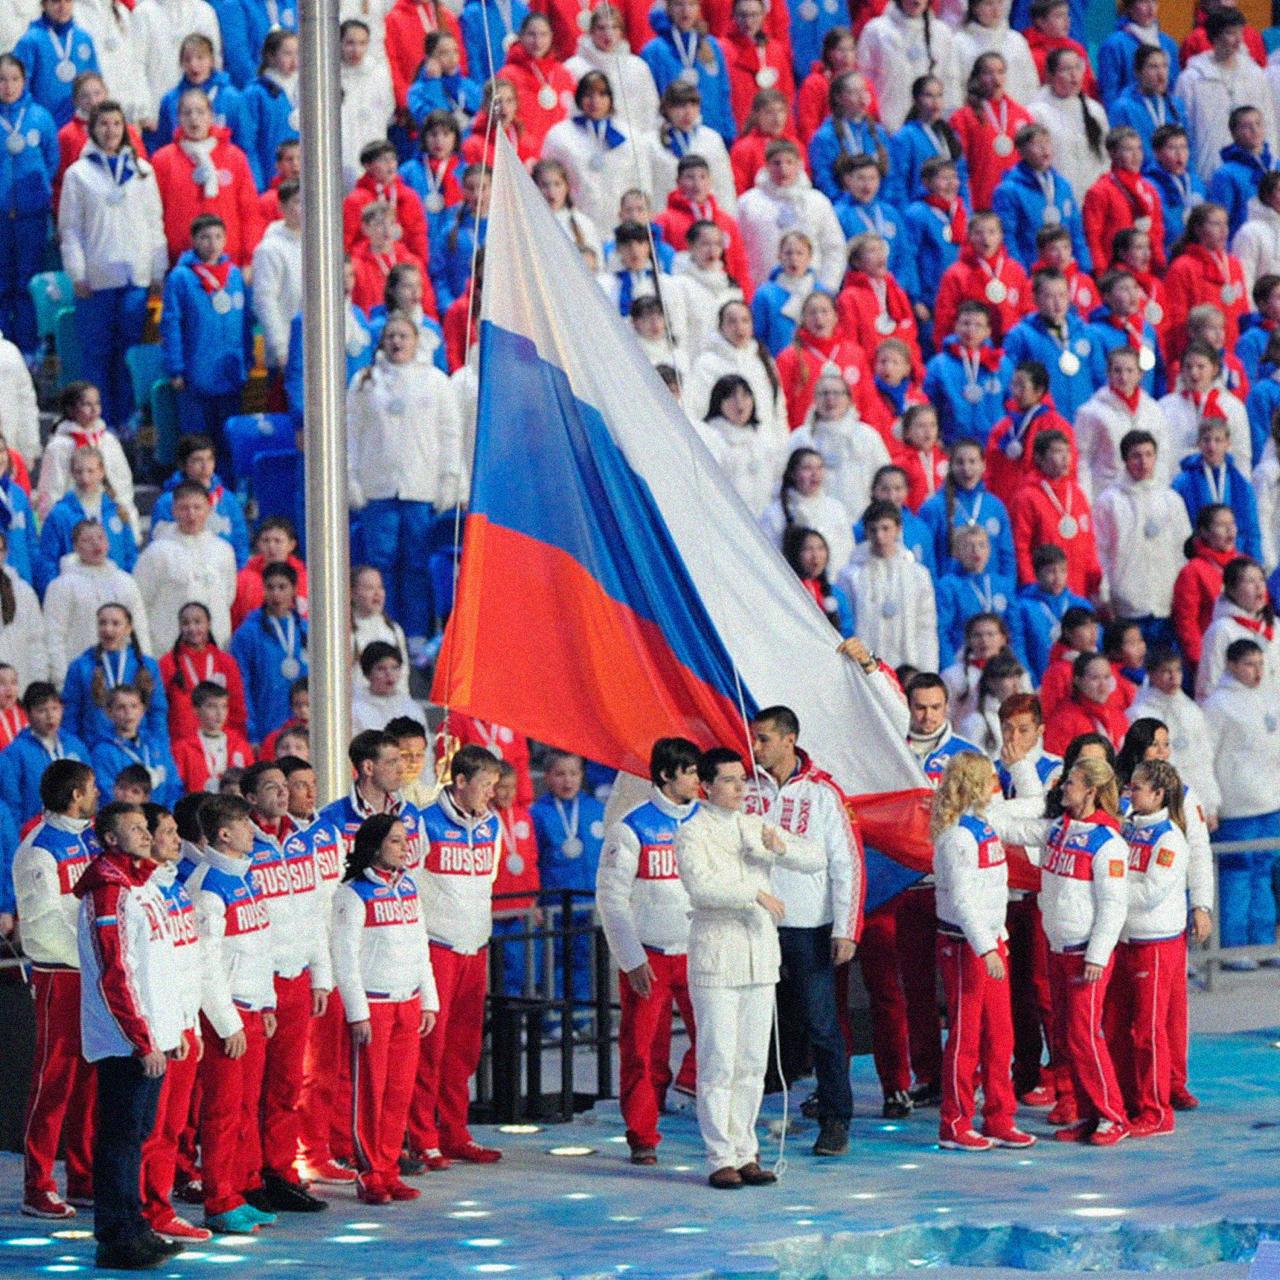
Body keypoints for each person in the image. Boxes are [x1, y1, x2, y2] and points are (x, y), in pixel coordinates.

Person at [676, 745, 824, 1186]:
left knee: (752, 1063)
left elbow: (815, 858)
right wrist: (753, 893)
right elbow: (701, 887)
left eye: (744, 779)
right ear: (706, 786)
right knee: (719, 1059)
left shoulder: (753, 825)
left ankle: (746, 1150)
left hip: (759, 959)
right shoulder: (692, 831)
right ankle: (719, 1154)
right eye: (730, 780)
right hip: (717, 958)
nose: (741, 787)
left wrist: (780, 850)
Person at [988, 753, 1132, 1146]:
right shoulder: (1058, 829)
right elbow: (1010, 829)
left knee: (1086, 1036)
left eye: (1070, 782)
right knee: (1068, 1038)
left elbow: (1114, 906)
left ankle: (1112, 1116)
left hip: (1085, 954)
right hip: (1058, 947)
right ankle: (1088, 1115)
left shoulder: (1109, 844)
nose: (1061, 787)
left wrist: (1097, 956)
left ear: (1091, 790)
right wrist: (981, 807)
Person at [74, 800, 186, 1271]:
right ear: (110, 839)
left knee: (135, 1135)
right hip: (125, 1040)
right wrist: (142, 1039)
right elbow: (116, 974)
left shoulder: (141, 886)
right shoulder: (109, 892)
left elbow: (159, 965)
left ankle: (135, 1224)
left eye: (146, 827)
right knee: (120, 1138)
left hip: (150, 1033)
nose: (146, 834)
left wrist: (171, 1025)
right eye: (135, 829)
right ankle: (117, 1236)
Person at [745, 705, 860, 1157]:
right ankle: (741, 1128)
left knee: (821, 1025)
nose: (756, 747)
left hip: (808, 926)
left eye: (764, 739)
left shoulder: (822, 793)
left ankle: (835, 1119)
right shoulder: (744, 787)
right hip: (754, 922)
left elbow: (847, 862)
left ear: (789, 739)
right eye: (754, 739)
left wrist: (847, 927)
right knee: (753, 1027)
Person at [596, 737, 701, 1164]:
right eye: (690, 771)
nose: (698, 779)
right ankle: (642, 1134)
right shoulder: (631, 826)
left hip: (699, 951)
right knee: (639, 1049)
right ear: (665, 775)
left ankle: (722, 1128)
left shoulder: (709, 822)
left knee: (716, 1040)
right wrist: (632, 957)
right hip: (651, 957)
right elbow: (610, 897)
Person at [330, 813, 438, 1204]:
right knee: (371, 1094)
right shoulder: (352, 894)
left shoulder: (408, 886)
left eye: (405, 839)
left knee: (398, 1094)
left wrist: (428, 999)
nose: (404, 846)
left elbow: (420, 945)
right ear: (375, 846)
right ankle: (369, 1171)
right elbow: (344, 956)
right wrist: (357, 1011)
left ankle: (389, 1168)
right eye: (395, 841)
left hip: (407, 1002)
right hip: (374, 1006)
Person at [183, 792, 277, 1235]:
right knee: (221, 1112)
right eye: (246, 825)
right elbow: (204, 965)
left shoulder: (246, 877)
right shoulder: (207, 888)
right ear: (224, 834)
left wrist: (268, 1000)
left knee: (244, 1107)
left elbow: (259, 946)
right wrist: (227, 1022)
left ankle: (239, 1190)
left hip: (254, 1010)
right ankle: (218, 1199)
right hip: (230, 1018)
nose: (253, 832)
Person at [930, 752, 1034, 1150]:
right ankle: (954, 1121)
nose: (996, 783)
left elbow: (1029, 808)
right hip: (965, 945)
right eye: (990, 778)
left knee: (1000, 1034)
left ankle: (999, 1115)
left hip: (991, 942)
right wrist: (985, 947)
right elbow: (963, 900)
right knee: (966, 1035)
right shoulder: (957, 837)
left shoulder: (985, 826)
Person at [408, 745, 503, 1166]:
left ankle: (455, 1130)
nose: (491, 794)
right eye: (485, 786)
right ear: (460, 782)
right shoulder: (423, 823)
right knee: (430, 1047)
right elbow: (408, 884)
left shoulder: (493, 825)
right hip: (436, 948)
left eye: (495, 786)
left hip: (475, 948)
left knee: (463, 1048)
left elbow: (490, 881)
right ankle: (421, 1137)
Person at [13, 759, 99, 1220]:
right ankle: (37, 1184)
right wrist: (91, 954)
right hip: (59, 976)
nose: (98, 795)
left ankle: (83, 1177)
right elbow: (42, 925)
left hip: (94, 975)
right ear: (74, 795)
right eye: (91, 789)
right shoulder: (37, 850)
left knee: (90, 1082)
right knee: (53, 1082)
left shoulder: (92, 838)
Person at [57, 98, 167, 428]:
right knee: (97, 354)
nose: (110, 130)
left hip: (135, 275)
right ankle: (94, 422)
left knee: (128, 353)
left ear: (126, 129)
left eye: (116, 124)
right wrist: (76, 271)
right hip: (96, 278)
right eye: (103, 124)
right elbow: (71, 228)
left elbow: (154, 222)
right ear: (92, 129)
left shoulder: (142, 171)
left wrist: (158, 268)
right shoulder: (78, 173)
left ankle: (127, 421)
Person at [137, 802, 208, 1245]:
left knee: (173, 1126)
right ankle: (148, 1209)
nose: (177, 839)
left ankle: (158, 1206)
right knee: (153, 1128)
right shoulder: (143, 893)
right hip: (160, 1028)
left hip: (183, 1024)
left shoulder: (176, 888)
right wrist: (162, 1030)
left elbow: (189, 961)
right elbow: (147, 969)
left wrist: (192, 1024)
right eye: (166, 832)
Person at [1106, 759, 1189, 1137]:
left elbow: (1150, 893)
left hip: (1154, 944)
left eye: (1136, 787)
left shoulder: (1169, 838)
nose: (1128, 792)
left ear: (1158, 794)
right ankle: (1129, 1101)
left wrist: (1107, 889)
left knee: (1147, 1031)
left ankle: (1157, 1111)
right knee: (1120, 1027)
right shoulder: (1129, 828)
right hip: (1127, 940)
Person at [1202, 639, 1280, 962]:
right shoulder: (1217, 706)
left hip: (1271, 801)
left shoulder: (1269, 696)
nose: (1256, 671)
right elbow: (1206, 757)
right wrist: (1212, 802)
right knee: (1237, 873)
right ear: (1232, 665)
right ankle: (1233, 947)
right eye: (1249, 664)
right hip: (1237, 805)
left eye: (1260, 664)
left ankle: (1262, 940)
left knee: (1265, 870)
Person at [159, 213, 253, 444]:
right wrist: (176, 368)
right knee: (198, 439)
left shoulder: (234, 275)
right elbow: (171, 324)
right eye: (205, 237)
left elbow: (246, 323)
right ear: (193, 240)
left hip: (230, 372)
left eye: (218, 237)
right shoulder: (181, 277)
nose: (212, 244)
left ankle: (226, 480)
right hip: (196, 371)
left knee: (229, 437)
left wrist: (247, 360)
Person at [1093, 429, 1191, 648]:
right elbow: (1101, 552)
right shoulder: (1109, 501)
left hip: (1166, 601)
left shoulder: (1172, 500)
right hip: (1127, 602)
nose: (1143, 461)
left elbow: (1182, 551)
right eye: (1136, 455)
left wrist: (1183, 595)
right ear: (1125, 459)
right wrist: (1104, 595)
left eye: (1148, 454)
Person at [532, 750, 605, 1030]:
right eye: (560, 774)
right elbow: (533, 859)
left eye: (574, 773)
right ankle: (553, 1021)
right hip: (555, 903)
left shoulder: (595, 808)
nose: (568, 780)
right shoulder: (539, 813)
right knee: (553, 962)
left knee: (585, 961)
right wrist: (536, 899)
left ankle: (583, 1017)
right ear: (548, 777)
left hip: (589, 902)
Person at [151, 88, 263, 267]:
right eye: (187, 113)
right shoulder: (163, 160)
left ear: (211, 116)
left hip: (229, 261)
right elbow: (154, 216)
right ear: (178, 118)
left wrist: (249, 260)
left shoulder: (234, 157)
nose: (194, 118)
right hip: (181, 263)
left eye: (200, 112)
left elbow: (249, 212)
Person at [1175, 7, 1277, 187]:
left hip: (1254, 176)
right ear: (1214, 37)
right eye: (1231, 33)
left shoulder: (1255, 75)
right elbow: (1183, 129)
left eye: (1240, 33)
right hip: (1208, 172)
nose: (1238, 40)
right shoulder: (1192, 79)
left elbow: (1268, 121)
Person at [133, 481, 238, 653]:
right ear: (174, 511)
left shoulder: (223, 550)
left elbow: (228, 596)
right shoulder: (157, 552)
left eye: (197, 508)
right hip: (168, 651)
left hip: (213, 649)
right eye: (184, 508)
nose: (191, 514)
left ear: (209, 510)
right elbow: (140, 603)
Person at [0, 54, 58, 358]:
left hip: (31, 217)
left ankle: (28, 349)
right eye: (1, 79)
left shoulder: (40, 117)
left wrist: (37, 196)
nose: (7, 86)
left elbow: (51, 161)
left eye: (14, 79)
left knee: (27, 283)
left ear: (24, 81)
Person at [838, 499, 938, 670]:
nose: (879, 536)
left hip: (909, 664)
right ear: (866, 532)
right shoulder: (851, 575)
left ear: (898, 529)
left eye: (885, 528)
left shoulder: (918, 575)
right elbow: (847, 624)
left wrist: (927, 670)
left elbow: (926, 627)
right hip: (867, 666)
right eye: (873, 530)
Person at [737, 139, 846, 292]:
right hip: (764, 293)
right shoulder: (748, 203)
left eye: (789, 162)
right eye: (776, 163)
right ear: (766, 166)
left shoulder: (817, 201)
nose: (783, 169)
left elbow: (834, 247)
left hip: (810, 294)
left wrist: (826, 287)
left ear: (799, 165)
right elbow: (739, 251)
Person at [1008, 428, 1102, 598]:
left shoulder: (1077, 493)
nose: (1066, 457)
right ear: (1039, 457)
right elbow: (1020, 548)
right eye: (1058, 451)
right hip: (1044, 592)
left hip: (1078, 592)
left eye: (1068, 451)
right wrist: (1031, 586)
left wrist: (1094, 584)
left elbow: (1089, 543)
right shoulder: (1026, 497)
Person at [60, 600, 164, 748]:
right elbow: (71, 716)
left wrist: (158, 750)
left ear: (128, 628)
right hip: (95, 751)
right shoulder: (80, 667)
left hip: (140, 751)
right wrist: (75, 753)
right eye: (102, 623)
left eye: (115, 623)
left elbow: (157, 712)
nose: (108, 629)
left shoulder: (147, 665)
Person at [36, 445, 137, 594]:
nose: (85, 478)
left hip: (114, 591)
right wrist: (54, 594)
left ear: (101, 471)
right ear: (72, 474)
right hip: (75, 593)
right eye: (79, 471)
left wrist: (128, 588)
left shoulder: (116, 510)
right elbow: (48, 560)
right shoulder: (60, 514)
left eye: (91, 471)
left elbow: (130, 554)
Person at [36, 380, 138, 528]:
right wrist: (54, 525)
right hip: (73, 521)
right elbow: (51, 490)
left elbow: (122, 482)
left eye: (97, 404)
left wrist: (128, 518)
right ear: (70, 409)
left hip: (108, 518)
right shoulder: (59, 446)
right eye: (86, 405)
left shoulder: (108, 440)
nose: (94, 410)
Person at [231, 561, 309, 747]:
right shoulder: (248, 633)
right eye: (270, 587)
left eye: (282, 587)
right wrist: (252, 734)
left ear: (294, 590)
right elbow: (242, 685)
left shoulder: (307, 630)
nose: (276, 594)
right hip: (267, 728)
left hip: (306, 730)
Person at [150, 433, 251, 569]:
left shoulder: (227, 500)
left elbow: (240, 542)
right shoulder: (168, 502)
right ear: (183, 465)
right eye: (197, 460)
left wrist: (238, 574)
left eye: (209, 459)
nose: (205, 466)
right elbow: (159, 543)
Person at [1171, 417, 1261, 565]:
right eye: (1206, 440)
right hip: (1197, 559)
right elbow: (1177, 529)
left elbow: (1252, 530)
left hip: (1235, 561)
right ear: (1198, 443)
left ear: (1228, 443)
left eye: (1218, 440)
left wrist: (1255, 563)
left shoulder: (1242, 485)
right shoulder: (1182, 483)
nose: (1212, 446)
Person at [982, 360, 1074, 506]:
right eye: (1014, 385)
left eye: (1022, 386)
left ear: (1039, 390)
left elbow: (1068, 467)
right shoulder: (1003, 427)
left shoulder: (1056, 425)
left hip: (1043, 501)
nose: (1015, 391)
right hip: (1006, 501)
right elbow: (991, 468)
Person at [1082, 127, 1166, 277]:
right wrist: (1101, 273)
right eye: (1128, 149)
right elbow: (1093, 237)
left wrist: (1159, 264)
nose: (1136, 155)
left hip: (1148, 271)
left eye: (1139, 149)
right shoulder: (1100, 191)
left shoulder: (1149, 189)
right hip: (1116, 274)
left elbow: (1157, 230)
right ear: (1113, 153)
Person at [1171, 502, 1239, 675]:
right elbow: (1186, 622)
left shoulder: (1244, 564)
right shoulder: (1193, 570)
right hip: (1212, 658)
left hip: (1246, 657)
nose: (1229, 530)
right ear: (1204, 532)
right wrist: (1199, 662)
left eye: (1232, 524)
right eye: (1222, 525)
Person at [90, 684, 181, 808]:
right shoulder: (103, 751)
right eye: (121, 707)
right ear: (109, 712)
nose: (128, 712)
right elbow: (108, 792)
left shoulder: (156, 745)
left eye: (134, 706)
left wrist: (166, 815)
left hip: (160, 818)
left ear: (142, 710)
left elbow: (174, 786)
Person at [172, 681, 253, 795]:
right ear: (196, 710)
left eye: (224, 706)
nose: (219, 713)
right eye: (212, 706)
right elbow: (177, 789)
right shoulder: (183, 749)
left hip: (235, 809)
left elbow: (251, 785)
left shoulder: (241, 746)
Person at [351, 642, 420, 733]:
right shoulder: (356, 709)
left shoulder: (410, 707)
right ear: (367, 673)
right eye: (381, 669)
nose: (389, 674)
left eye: (394, 668)